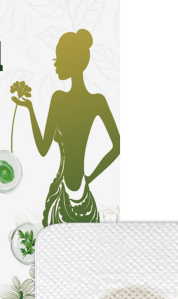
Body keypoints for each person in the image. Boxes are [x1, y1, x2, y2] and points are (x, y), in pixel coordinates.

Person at [12, 29, 120, 224]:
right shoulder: (94, 102)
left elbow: (43, 148)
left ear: (72, 62)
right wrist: (90, 177)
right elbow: (117, 146)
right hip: (75, 191)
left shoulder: (61, 100)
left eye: (59, 59)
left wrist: (30, 110)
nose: (55, 64)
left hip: (65, 192)